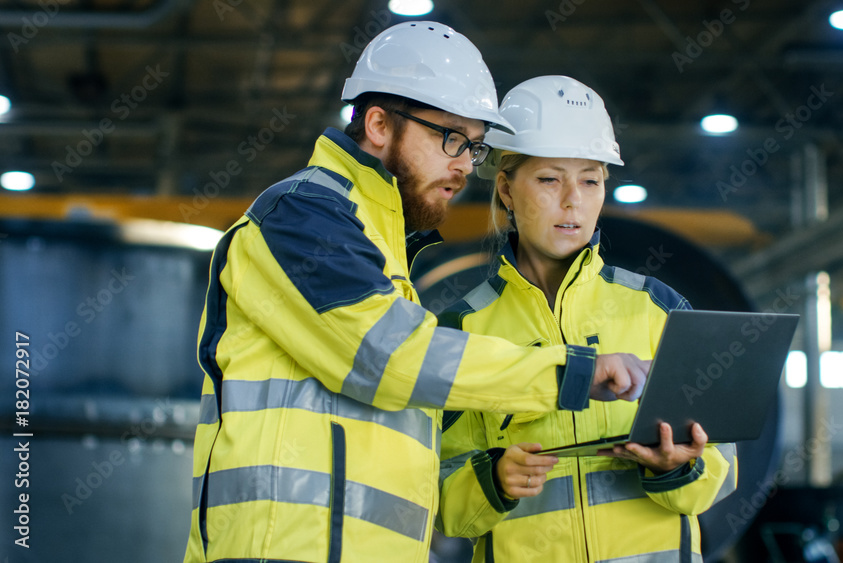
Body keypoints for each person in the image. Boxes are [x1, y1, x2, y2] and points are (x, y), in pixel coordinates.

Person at [182, 23, 651, 563]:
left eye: (473, 147)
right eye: (449, 138)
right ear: (379, 124)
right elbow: (389, 356)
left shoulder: (383, 247)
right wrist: (570, 372)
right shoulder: (301, 216)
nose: (462, 165)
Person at [436, 76, 738, 562]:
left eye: (590, 179)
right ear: (507, 190)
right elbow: (439, 497)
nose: (573, 199)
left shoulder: (659, 309)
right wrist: (492, 480)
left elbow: (717, 475)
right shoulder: (462, 329)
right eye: (550, 179)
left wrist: (674, 467)